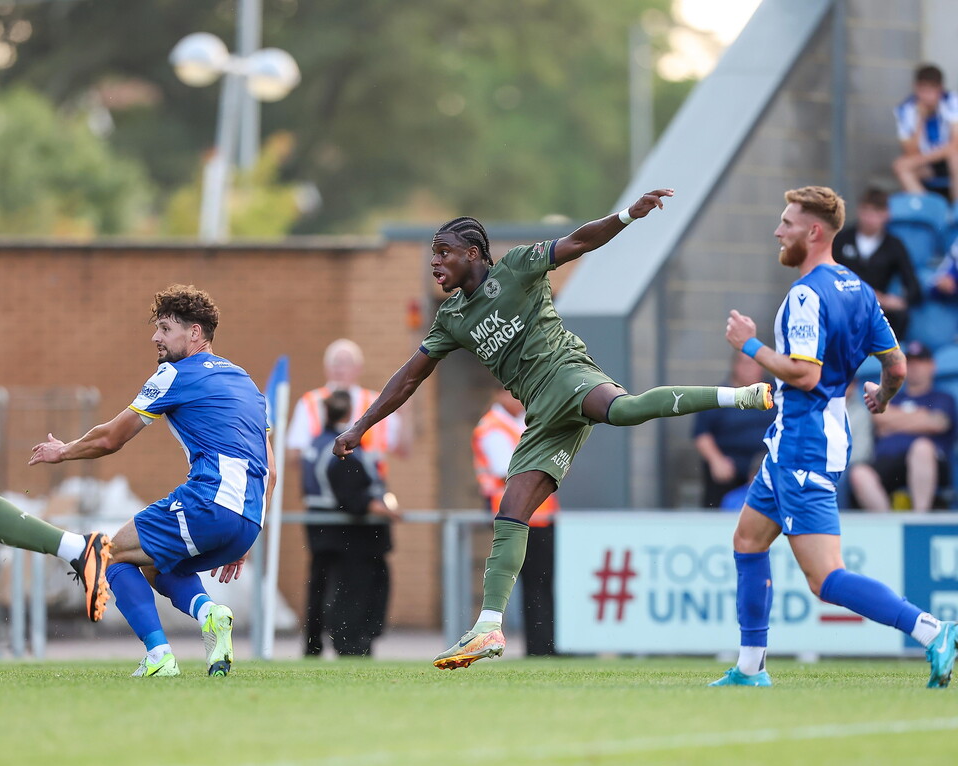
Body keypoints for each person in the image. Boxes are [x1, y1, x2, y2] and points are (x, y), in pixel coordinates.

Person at [332, 188, 775, 670]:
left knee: (624, 411)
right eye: (433, 254)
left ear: (473, 254)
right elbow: (408, 378)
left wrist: (628, 214)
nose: (435, 263)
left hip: (567, 372)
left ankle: (740, 396)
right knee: (511, 512)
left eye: (444, 253)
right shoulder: (452, 319)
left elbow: (580, 241)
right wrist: (361, 426)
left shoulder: (518, 267)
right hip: (541, 414)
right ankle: (488, 628)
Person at [713, 186, 957, 689]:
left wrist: (750, 344)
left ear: (814, 231)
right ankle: (750, 668)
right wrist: (883, 398)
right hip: (797, 441)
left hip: (805, 443)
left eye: (787, 223)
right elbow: (897, 364)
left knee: (826, 579)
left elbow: (803, 374)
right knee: (747, 541)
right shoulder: (859, 289)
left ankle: (932, 630)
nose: (779, 232)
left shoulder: (807, 294)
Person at [6, 284, 275, 678]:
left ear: (195, 334)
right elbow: (270, 468)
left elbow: (112, 437)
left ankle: (159, 656)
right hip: (248, 519)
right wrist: (247, 532)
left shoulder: (174, 374)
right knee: (158, 564)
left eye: (166, 329)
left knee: (110, 555)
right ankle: (210, 613)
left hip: (209, 501)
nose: (155, 338)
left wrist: (64, 451)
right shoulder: (247, 383)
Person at [300, 389, 399, 657]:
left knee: (320, 589)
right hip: (352, 535)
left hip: (321, 528)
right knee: (353, 593)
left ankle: (313, 646)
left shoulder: (315, 443)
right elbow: (354, 493)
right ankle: (351, 645)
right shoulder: (344, 447)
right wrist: (386, 510)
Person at [473, 386, 558, 656]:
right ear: (499, 394)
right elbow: (508, 469)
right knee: (533, 584)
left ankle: (546, 645)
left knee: (542, 582)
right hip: (516, 516)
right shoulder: (492, 427)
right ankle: (539, 648)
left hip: (539, 514)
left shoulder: (521, 422)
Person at [848, 340, 956, 512]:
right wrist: (921, 417)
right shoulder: (893, 396)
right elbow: (878, 418)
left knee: (922, 448)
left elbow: (938, 423)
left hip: (929, 463)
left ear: (932, 366)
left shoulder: (942, 397)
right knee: (859, 473)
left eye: (920, 362)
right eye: (910, 363)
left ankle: (919, 517)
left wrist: (893, 420)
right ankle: (888, 525)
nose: (914, 367)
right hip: (888, 462)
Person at [287, 338, 405, 480]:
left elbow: (402, 448)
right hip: (326, 488)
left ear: (359, 368)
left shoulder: (377, 403)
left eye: (346, 363)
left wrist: (407, 412)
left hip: (368, 489)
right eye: (335, 363)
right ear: (326, 368)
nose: (340, 369)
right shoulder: (311, 403)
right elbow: (294, 454)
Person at [832, 186, 922, 339]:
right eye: (866, 211)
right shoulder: (842, 239)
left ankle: (890, 356)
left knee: (898, 317)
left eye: (876, 213)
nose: (870, 218)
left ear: (886, 215)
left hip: (877, 309)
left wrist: (894, 301)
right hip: (843, 304)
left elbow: (914, 287)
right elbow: (828, 274)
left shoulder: (894, 245)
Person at [693, 352, 775, 508]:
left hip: (768, 464)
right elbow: (701, 433)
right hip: (731, 466)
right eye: (745, 363)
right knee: (718, 476)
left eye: (753, 363)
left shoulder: (775, 394)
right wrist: (716, 460)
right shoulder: (721, 395)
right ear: (735, 366)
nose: (749, 369)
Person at [893, 64, 958, 200]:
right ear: (915, 87)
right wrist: (920, 120)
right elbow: (910, 151)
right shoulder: (906, 110)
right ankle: (930, 209)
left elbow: (955, 145)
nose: (926, 96)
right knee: (901, 166)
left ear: (940, 89)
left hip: (948, 160)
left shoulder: (952, 101)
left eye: (930, 91)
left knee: (955, 157)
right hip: (927, 164)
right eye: (922, 90)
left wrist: (927, 157)